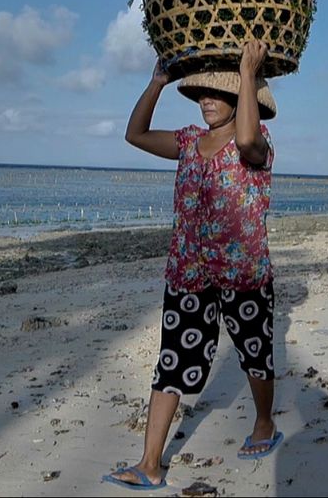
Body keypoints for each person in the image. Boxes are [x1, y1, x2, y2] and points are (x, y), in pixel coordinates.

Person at [103, 40, 280, 490]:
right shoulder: (187, 142)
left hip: (243, 275)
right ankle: (149, 463)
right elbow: (135, 135)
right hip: (189, 273)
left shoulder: (257, 146)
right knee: (171, 363)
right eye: (200, 91)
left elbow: (244, 137)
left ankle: (264, 423)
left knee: (254, 354)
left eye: (215, 92)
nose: (204, 99)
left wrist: (246, 71)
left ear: (241, 97)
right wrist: (158, 82)